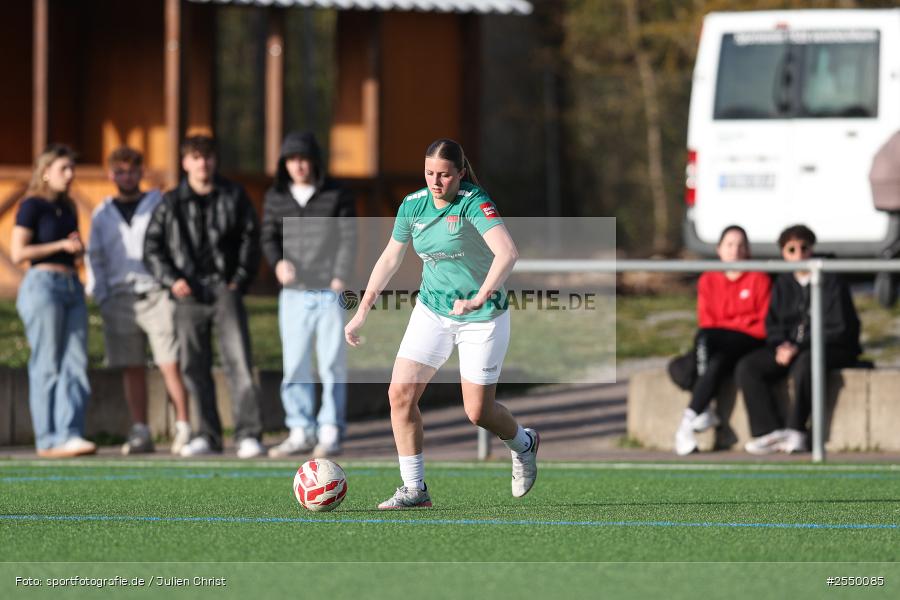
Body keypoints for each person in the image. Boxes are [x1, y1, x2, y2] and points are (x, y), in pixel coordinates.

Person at [344, 138, 538, 509]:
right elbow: (390, 259)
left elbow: (508, 253)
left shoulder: (473, 202)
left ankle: (524, 443)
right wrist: (362, 311)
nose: (436, 181)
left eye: (445, 175)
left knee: (478, 412)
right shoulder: (412, 205)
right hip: (432, 311)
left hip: (482, 317)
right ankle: (414, 489)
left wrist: (479, 297)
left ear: (461, 173)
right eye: (430, 173)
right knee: (400, 395)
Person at [143, 135, 265, 458]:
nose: (203, 163)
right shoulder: (170, 202)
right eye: (196, 157)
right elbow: (152, 248)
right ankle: (206, 436)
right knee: (194, 367)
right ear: (185, 162)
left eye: (208, 157)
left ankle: (248, 435)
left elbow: (251, 239)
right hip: (188, 294)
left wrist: (239, 279)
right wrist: (172, 280)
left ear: (215, 161)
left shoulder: (234, 195)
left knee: (239, 362)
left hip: (226, 289)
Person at [86, 146, 191, 455]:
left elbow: (173, 244)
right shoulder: (102, 213)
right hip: (120, 298)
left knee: (169, 363)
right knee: (131, 366)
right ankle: (141, 430)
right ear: (111, 175)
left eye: (132, 171)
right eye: (120, 172)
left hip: (157, 293)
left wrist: (171, 283)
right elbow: (95, 257)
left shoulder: (157, 203)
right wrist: (101, 293)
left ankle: (184, 427)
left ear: (141, 173)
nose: (127, 177)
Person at [262, 132, 356, 458]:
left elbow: (348, 236)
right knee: (295, 364)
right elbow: (268, 237)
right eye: (292, 160)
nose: (298, 166)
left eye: (304, 159)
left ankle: (330, 429)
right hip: (293, 293)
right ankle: (300, 429)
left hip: (329, 290)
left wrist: (340, 274)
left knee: (332, 364)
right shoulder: (276, 196)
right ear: (284, 164)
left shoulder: (336, 193)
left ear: (315, 161)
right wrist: (278, 263)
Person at [736, 225, 861, 454]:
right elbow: (773, 324)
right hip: (791, 348)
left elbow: (837, 328)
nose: (799, 255)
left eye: (804, 248)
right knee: (748, 366)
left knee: (806, 363)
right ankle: (769, 432)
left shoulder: (830, 280)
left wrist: (798, 347)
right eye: (791, 249)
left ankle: (796, 431)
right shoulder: (783, 282)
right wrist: (781, 345)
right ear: (783, 253)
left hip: (831, 347)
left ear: (812, 249)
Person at [10, 144, 95, 457]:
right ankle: (47, 439)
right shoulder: (31, 206)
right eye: (63, 169)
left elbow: (70, 250)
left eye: (72, 168)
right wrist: (59, 245)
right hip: (43, 286)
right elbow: (18, 252)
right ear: (45, 172)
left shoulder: (69, 207)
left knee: (76, 363)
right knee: (47, 362)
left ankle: (69, 434)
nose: (70, 174)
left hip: (72, 285)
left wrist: (77, 250)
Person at [674, 225, 770, 455]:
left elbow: (761, 324)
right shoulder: (708, 280)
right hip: (717, 346)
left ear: (748, 250)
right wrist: (736, 322)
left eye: (740, 245)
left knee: (706, 344)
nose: (735, 250)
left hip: (749, 341)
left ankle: (689, 420)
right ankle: (702, 409)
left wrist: (732, 326)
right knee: (681, 366)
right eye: (730, 244)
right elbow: (707, 321)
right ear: (719, 249)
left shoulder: (759, 278)